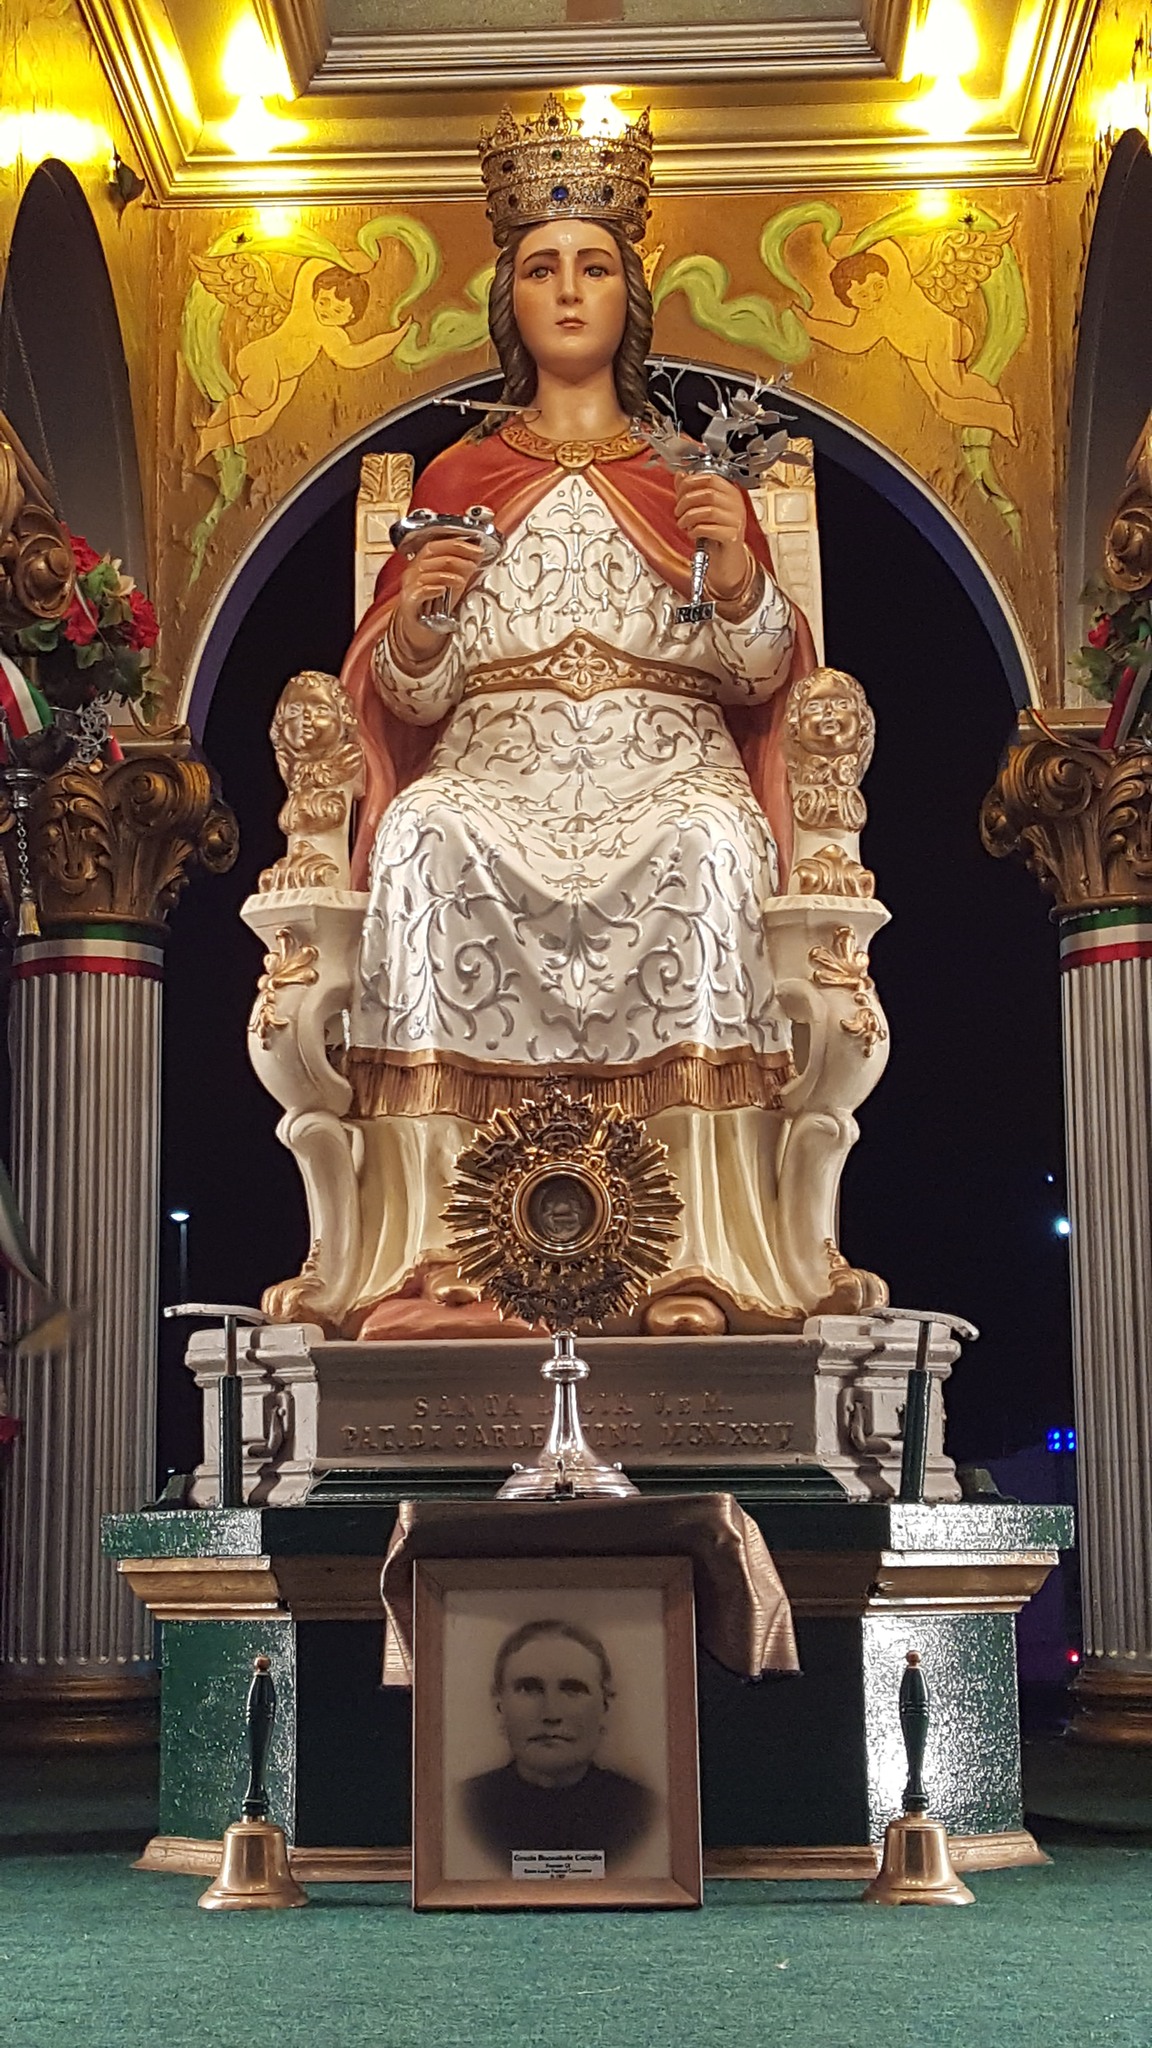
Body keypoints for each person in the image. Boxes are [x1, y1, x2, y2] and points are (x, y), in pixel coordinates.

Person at [339, 98, 817, 1340]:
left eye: (593, 266)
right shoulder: (458, 479)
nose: (567, 291)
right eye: (541, 267)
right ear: (509, 298)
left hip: (670, 768)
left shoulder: (689, 474)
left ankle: (696, 1256)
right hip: (494, 771)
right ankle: (447, 1252)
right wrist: (423, 621)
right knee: (420, 838)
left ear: (628, 295)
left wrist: (739, 572)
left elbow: (761, 672)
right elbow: (412, 698)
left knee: (709, 850)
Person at [461, 1618, 655, 1866]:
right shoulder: (466, 1805)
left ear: (605, 1706)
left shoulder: (643, 1811)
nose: (551, 1714)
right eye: (529, 1689)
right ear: (500, 1705)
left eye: (573, 1689)